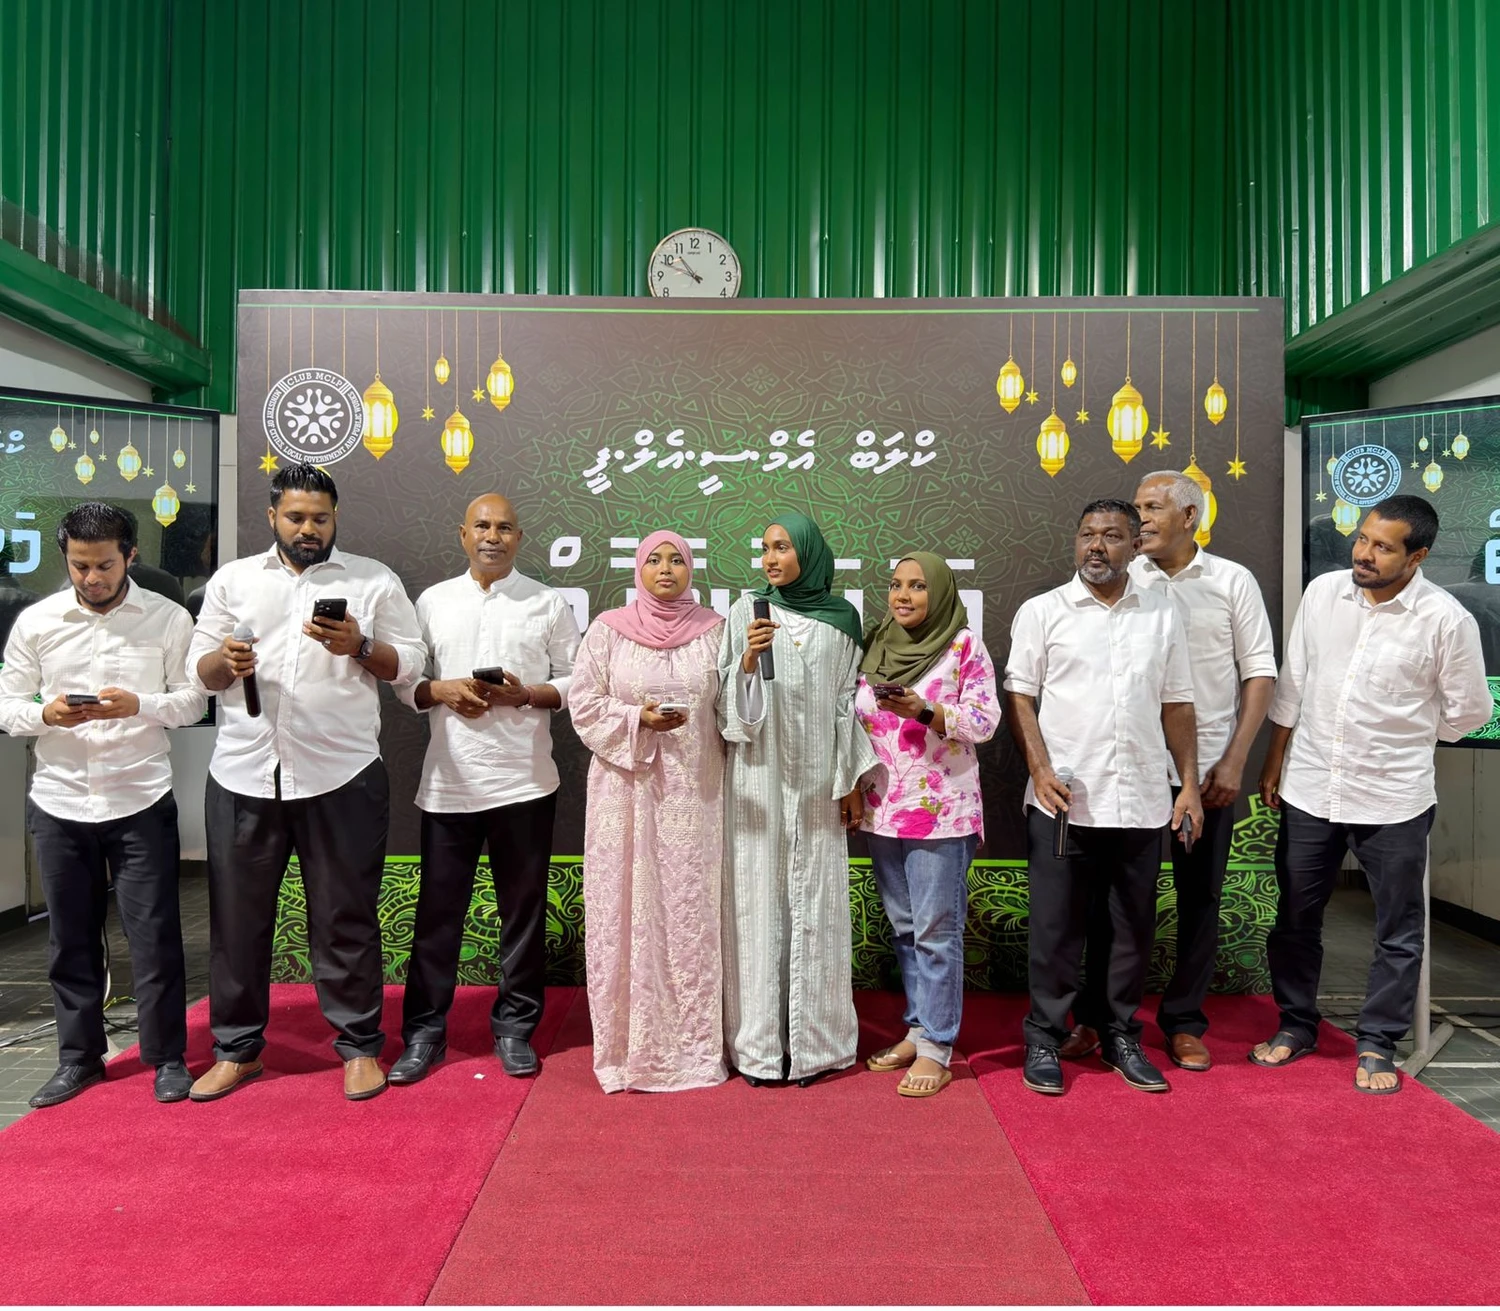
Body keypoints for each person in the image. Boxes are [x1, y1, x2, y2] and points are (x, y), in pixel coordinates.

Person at [186, 463, 425, 1102]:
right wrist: (223, 661)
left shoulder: (372, 580)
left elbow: (411, 665)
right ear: (273, 517)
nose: (308, 529)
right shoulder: (233, 580)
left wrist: (359, 646)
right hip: (243, 773)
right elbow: (196, 671)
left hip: (341, 774)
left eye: (320, 517)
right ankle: (236, 1051)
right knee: (236, 923)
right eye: (295, 517)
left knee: (346, 917)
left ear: (335, 517)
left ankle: (359, 1047)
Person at [1255, 494, 1490, 1094]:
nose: (1363, 553)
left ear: (1417, 557)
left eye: (1383, 547)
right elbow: (1294, 684)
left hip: (1394, 797)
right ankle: (1296, 1025)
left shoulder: (1446, 620)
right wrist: (1275, 761)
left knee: (1398, 929)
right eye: (1362, 538)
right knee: (1295, 918)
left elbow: (1470, 712)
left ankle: (1378, 1041)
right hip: (1311, 786)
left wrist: (1410, 734)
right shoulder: (1322, 594)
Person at [1063, 471, 1278, 1070]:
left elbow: (1259, 673)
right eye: (1137, 508)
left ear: (1190, 516)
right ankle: (1096, 1019)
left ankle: (1184, 1021)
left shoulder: (1231, 581)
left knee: (1198, 895)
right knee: (1107, 901)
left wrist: (1233, 760)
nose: (1142, 519)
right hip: (1127, 768)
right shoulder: (1120, 577)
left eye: (1153, 508)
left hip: (1203, 772)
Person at [0, 504, 205, 1107]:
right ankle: (79, 1058)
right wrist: (45, 713)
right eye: (80, 565)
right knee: (70, 940)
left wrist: (139, 704)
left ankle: (166, 1057)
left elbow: (192, 701)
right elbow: (7, 706)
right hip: (60, 801)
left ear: (130, 556)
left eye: (104, 565)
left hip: (140, 798)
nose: (91, 578)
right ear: (66, 557)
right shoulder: (37, 621)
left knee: (155, 937)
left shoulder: (167, 617)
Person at [1004, 499, 1203, 1096]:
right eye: (1087, 534)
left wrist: (1189, 783)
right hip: (1065, 800)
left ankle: (1119, 1035)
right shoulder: (1043, 612)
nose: (1096, 545)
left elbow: (1177, 703)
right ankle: (1045, 1038)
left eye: (1112, 536)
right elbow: (1020, 696)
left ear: (1135, 546)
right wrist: (1039, 770)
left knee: (1130, 930)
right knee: (1056, 930)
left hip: (1141, 798)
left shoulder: (1162, 613)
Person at [388, 493, 580, 1085]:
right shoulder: (432, 601)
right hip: (449, 786)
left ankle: (515, 1028)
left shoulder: (548, 603)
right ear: (463, 534)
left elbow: (578, 681)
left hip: (526, 782)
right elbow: (407, 683)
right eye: (482, 526)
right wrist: (442, 691)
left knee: (522, 913)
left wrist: (525, 695)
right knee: (436, 915)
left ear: (520, 538)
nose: (493, 536)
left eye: (504, 528)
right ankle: (424, 1033)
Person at [719, 511, 876, 1088]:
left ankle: (816, 1047)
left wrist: (851, 781)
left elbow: (847, 703)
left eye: (783, 547)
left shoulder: (843, 619)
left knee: (817, 904)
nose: (771, 559)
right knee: (757, 906)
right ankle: (760, 1050)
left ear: (808, 553)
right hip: (757, 782)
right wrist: (748, 661)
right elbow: (728, 709)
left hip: (817, 783)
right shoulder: (746, 612)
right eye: (765, 548)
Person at [569, 530, 727, 1092]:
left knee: (688, 913)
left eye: (676, 560)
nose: (665, 569)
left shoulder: (716, 632)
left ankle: (694, 1050)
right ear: (638, 569)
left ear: (691, 569)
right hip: (625, 795)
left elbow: (734, 709)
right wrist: (640, 719)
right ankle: (626, 1052)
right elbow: (583, 703)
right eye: (654, 560)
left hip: (695, 795)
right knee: (625, 907)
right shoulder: (608, 630)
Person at [856, 553, 1000, 1098]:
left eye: (917, 586)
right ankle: (918, 1029)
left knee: (937, 933)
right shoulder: (876, 643)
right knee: (905, 928)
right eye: (897, 585)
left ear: (938, 592)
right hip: (883, 810)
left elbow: (984, 721)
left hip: (942, 812)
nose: (904, 595)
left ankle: (938, 1045)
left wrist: (925, 711)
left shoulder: (963, 646)